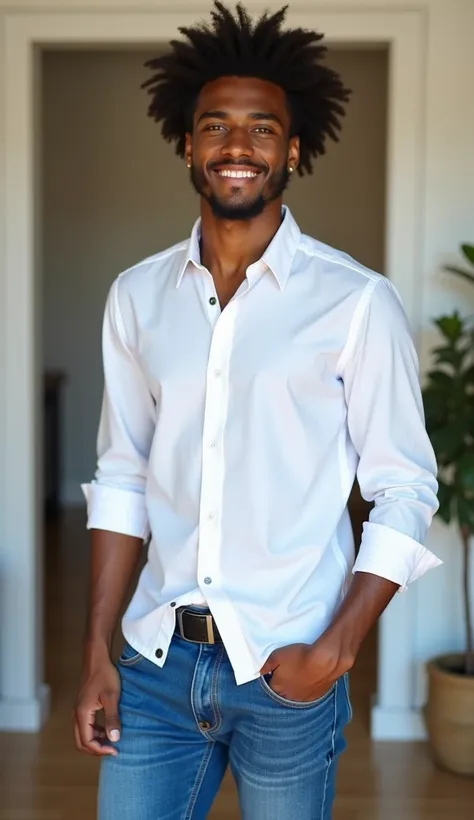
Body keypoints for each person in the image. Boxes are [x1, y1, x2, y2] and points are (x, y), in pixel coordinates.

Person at [74, 3, 441, 818]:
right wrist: (98, 652)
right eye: (216, 127)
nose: (238, 147)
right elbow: (122, 474)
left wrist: (335, 652)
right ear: (187, 143)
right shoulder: (136, 298)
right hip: (154, 666)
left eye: (262, 130)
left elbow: (405, 488)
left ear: (294, 148)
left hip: (288, 668)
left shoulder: (356, 303)